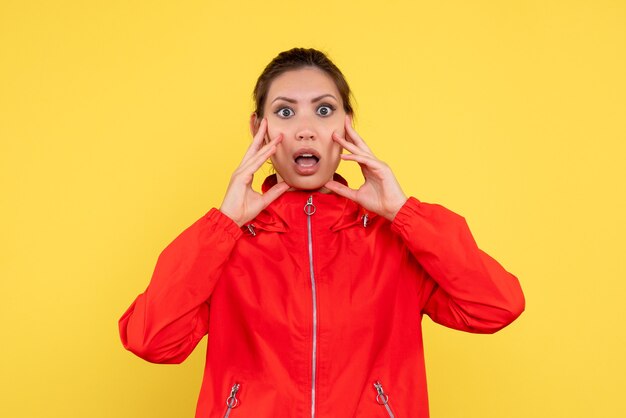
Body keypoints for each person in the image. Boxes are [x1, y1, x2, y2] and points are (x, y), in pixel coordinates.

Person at [119, 47, 525, 418]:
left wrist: (404, 213)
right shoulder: (226, 246)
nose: (306, 129)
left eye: (324, 110)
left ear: (348, 125)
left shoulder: (395, 240)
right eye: (284, 112)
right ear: (257, 128)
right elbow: (151, 340)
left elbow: (496, 306)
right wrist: (223, 225)